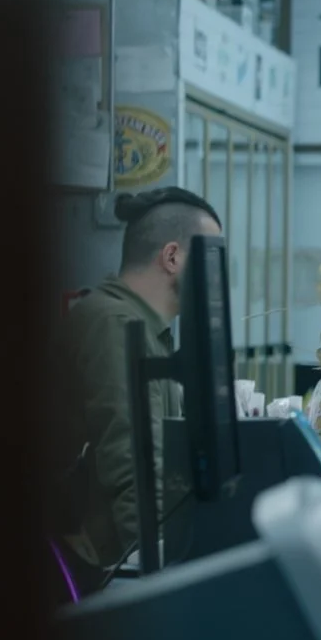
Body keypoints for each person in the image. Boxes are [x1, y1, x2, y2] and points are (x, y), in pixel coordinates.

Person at [50, 187, 224, 592]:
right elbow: (135, 468)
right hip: (95, 572)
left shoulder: (143, 329)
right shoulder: (116, 327)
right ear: (172, 257)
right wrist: (164, 578)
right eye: (211, 257)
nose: (218, 276)